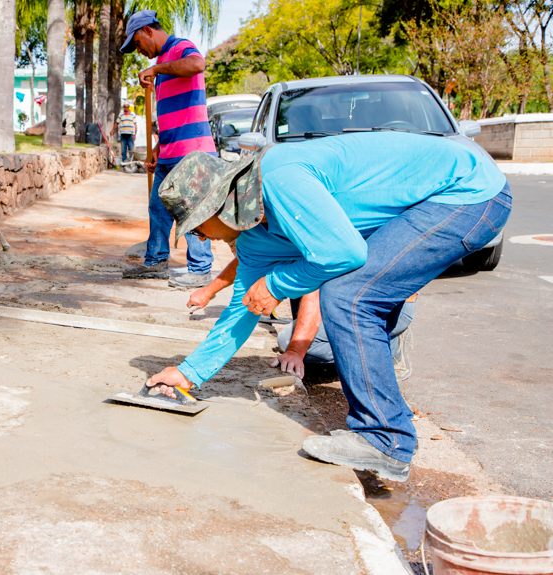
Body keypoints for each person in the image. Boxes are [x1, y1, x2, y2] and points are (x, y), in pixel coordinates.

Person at [146, 132, 511, 482]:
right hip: (439, 197)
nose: (198, 236)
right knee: (350, 293)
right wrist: (190, 372)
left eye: (196, 226)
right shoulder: (254, 238)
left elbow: (344, 254)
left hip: (465, 192)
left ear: (219, 204)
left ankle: (385, 439)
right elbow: (243, 310)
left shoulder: (278, 178)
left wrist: (276, 285)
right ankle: (383, 419)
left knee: (348, 296)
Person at [188, 262, 417, 380]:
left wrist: (296, 351)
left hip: (383, 309)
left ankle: (386, 343)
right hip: (343, 300)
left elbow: (314, 289)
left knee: (290, 339)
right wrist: (208, 291)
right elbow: (248, 261)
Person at [119, 10, 215, 289]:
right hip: (171, 152)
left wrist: (157, 69)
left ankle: (200, 270)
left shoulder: (180, 48)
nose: (139, 51)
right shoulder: (161, 63)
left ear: (148, 31)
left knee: (192, 211)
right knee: (157, 209)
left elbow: (197, 64)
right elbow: (175, 117)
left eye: (137, 43)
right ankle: (155, 263)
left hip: (193, 152)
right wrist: (158, 149)